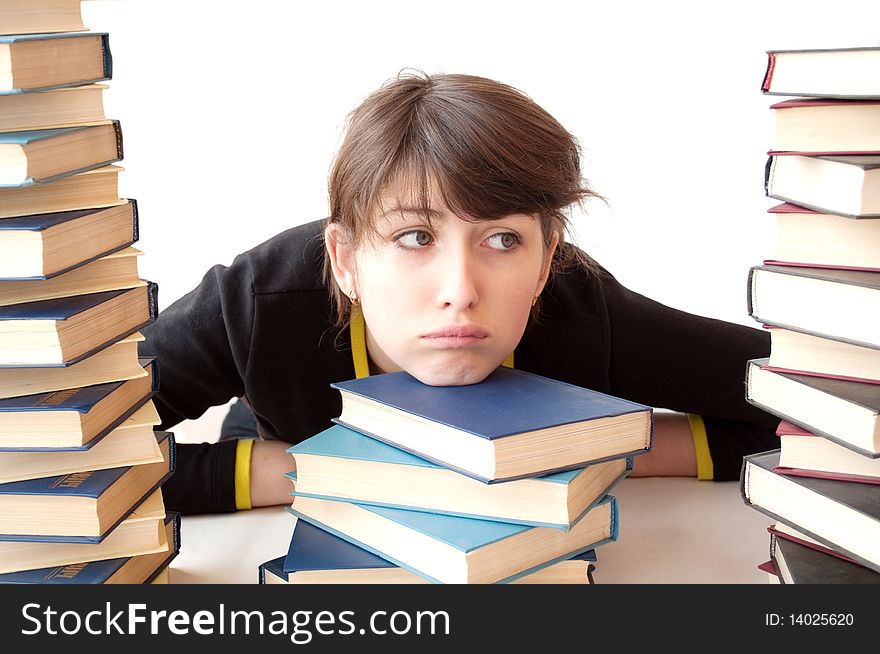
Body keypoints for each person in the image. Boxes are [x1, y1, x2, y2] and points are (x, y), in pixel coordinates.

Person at [141, 72, 779, 515]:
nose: (460, 291)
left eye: (503, 240)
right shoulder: (256, 302)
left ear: (546, 258)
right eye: (415, 236)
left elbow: (819, 412)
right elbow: (53, 459)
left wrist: (579, 450)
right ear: (344, 259)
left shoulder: (583, 312)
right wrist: (316, 474)